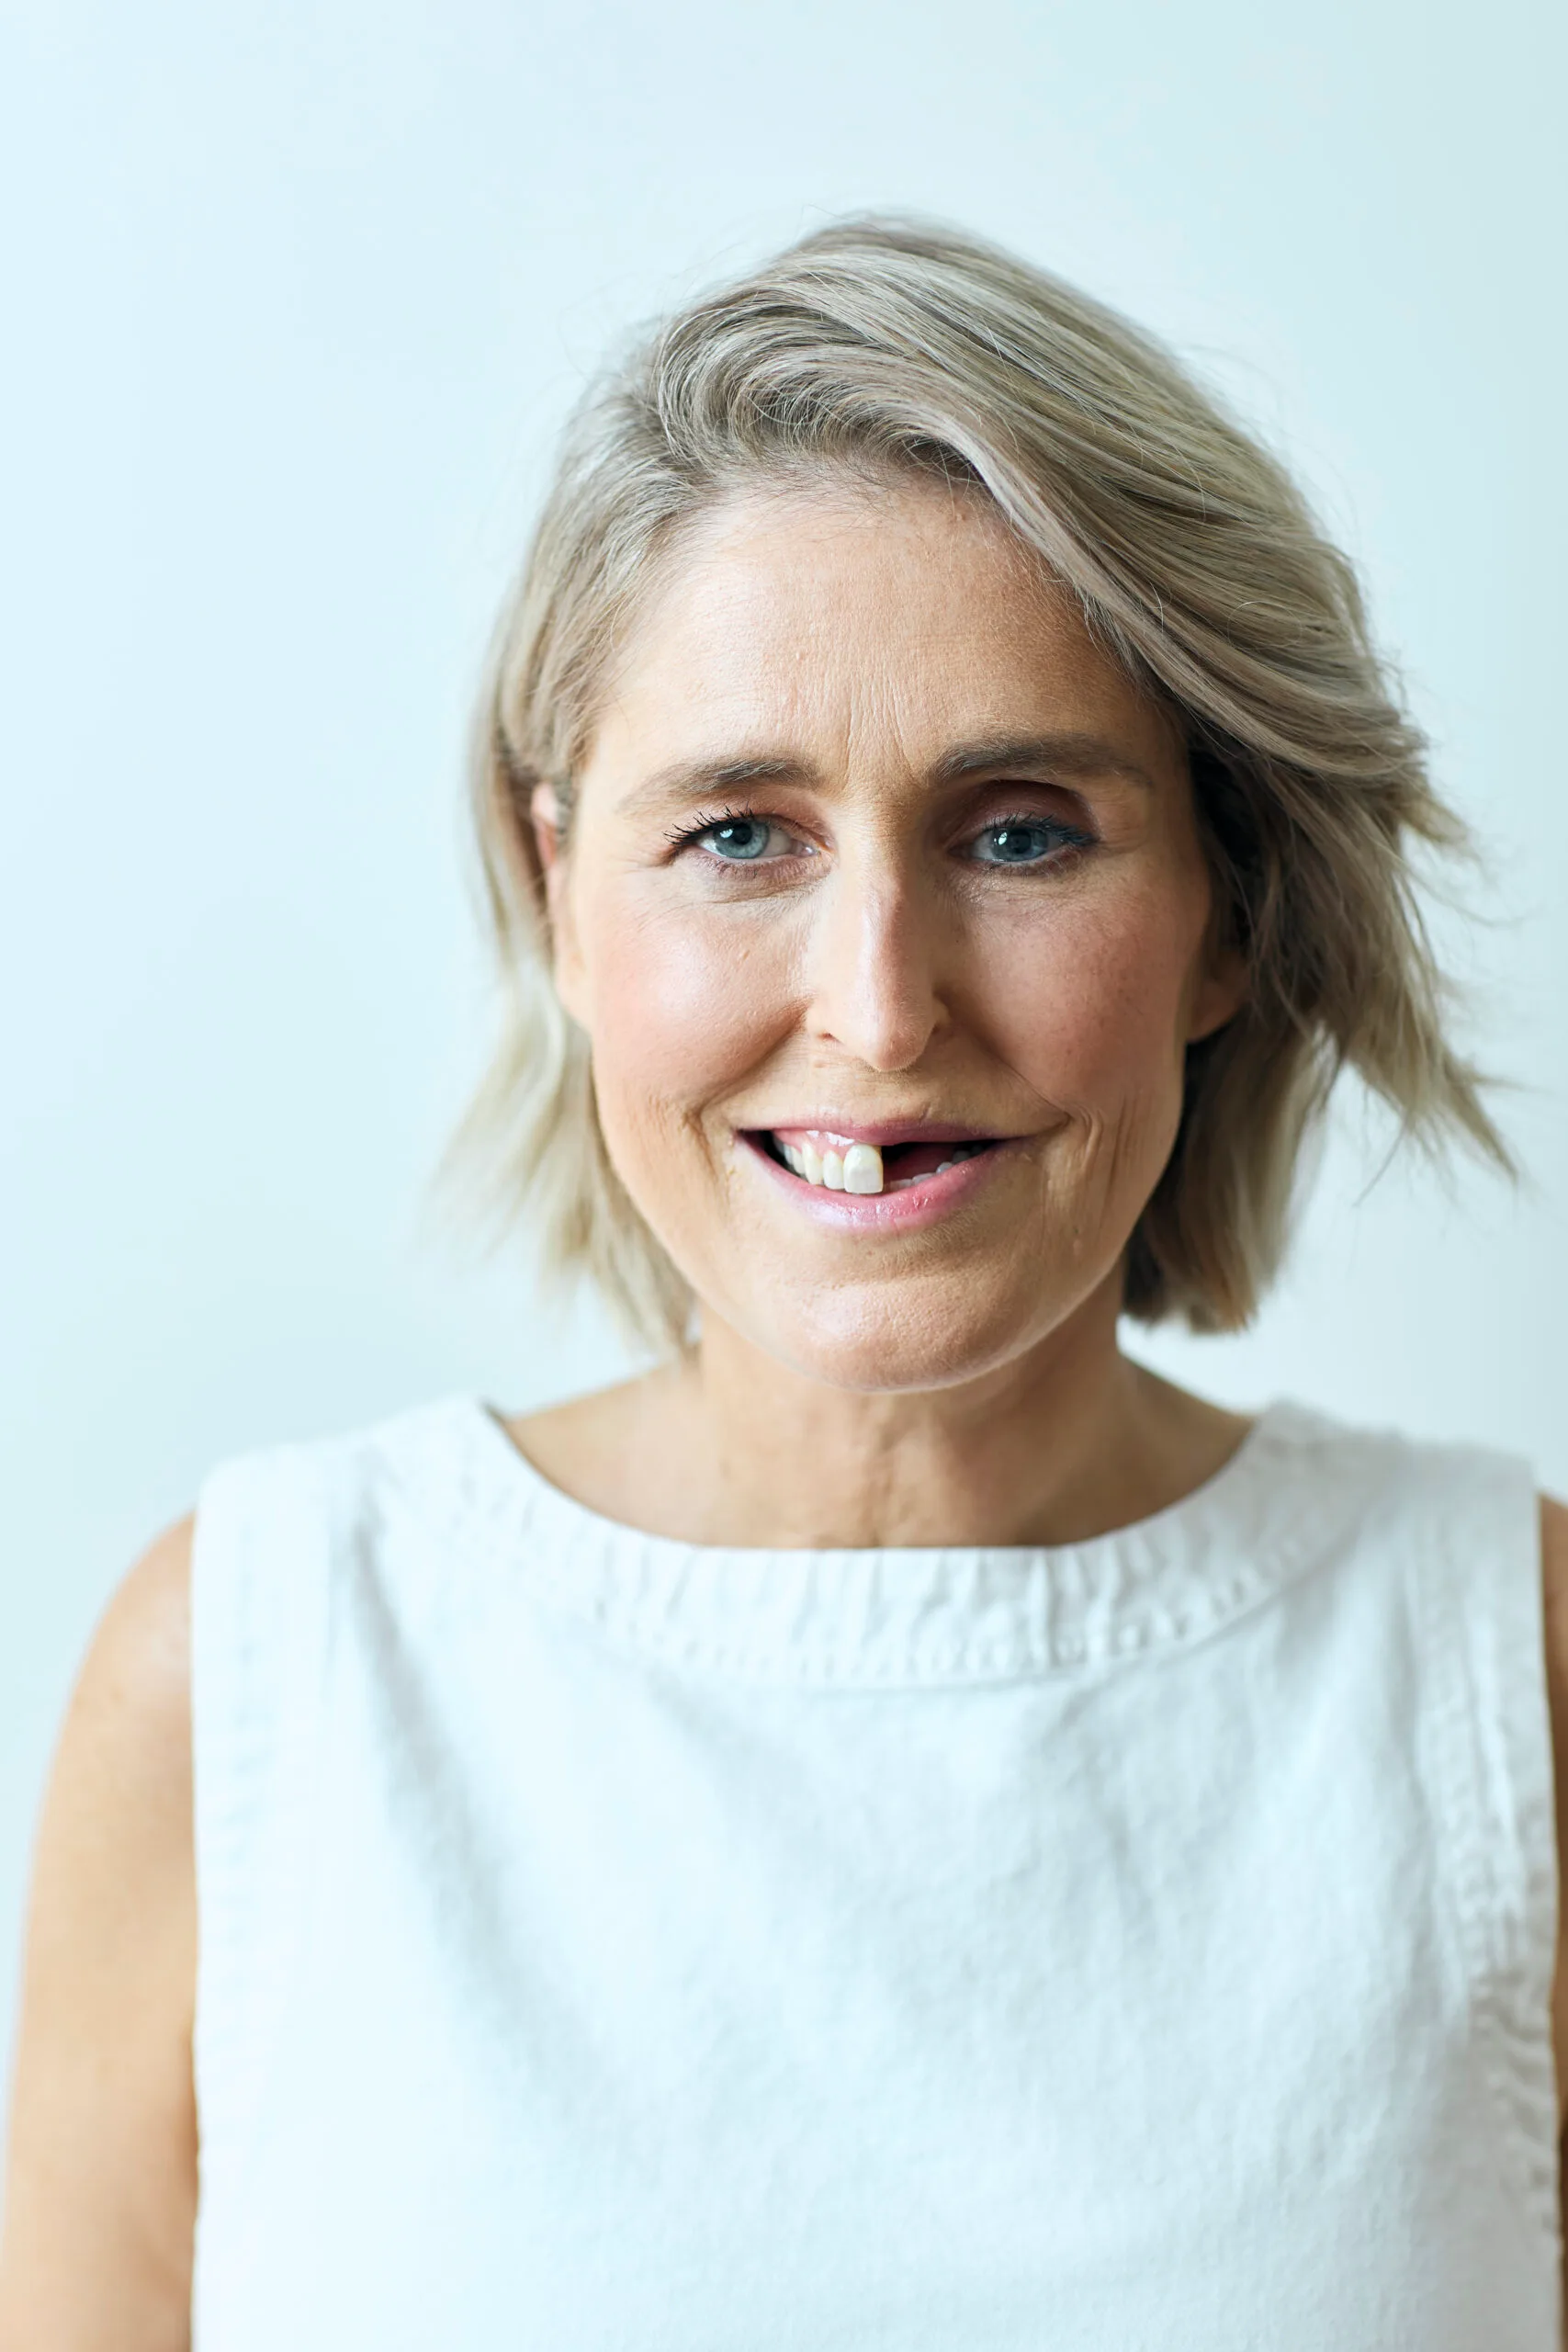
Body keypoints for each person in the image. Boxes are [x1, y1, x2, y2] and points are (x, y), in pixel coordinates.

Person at [1, 216, 1562, 2350]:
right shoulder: (257, 1672)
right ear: (561, 886)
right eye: (741, 833)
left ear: (1224, 912)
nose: (878, 1005)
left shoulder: (1503, 1667)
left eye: (1019, 831)